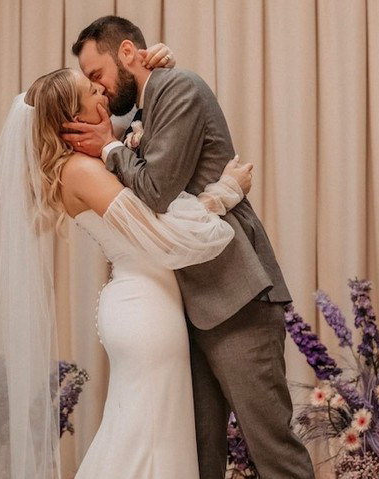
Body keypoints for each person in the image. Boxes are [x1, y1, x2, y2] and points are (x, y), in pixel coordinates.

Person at [63, 15, 316, 479]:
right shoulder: (139, 111)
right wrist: (115, 138)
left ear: (126, 53)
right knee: (199, 458)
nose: (96, 89)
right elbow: (88, 116)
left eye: (97, 75)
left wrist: (110, 148)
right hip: (184, 311)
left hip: (234, 297)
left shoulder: (178, 87)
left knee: (272, 451)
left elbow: (156, 189)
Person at [0, 63, 254, 478]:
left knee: (145, 436)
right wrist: (224, 193)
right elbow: (163, 240)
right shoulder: (83, 171)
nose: (102, 93)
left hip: (143, 303)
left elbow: (152, 227)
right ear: (73, 117)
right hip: (146, 311)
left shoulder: (83, 166)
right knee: (147, 442)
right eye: (90, 89)